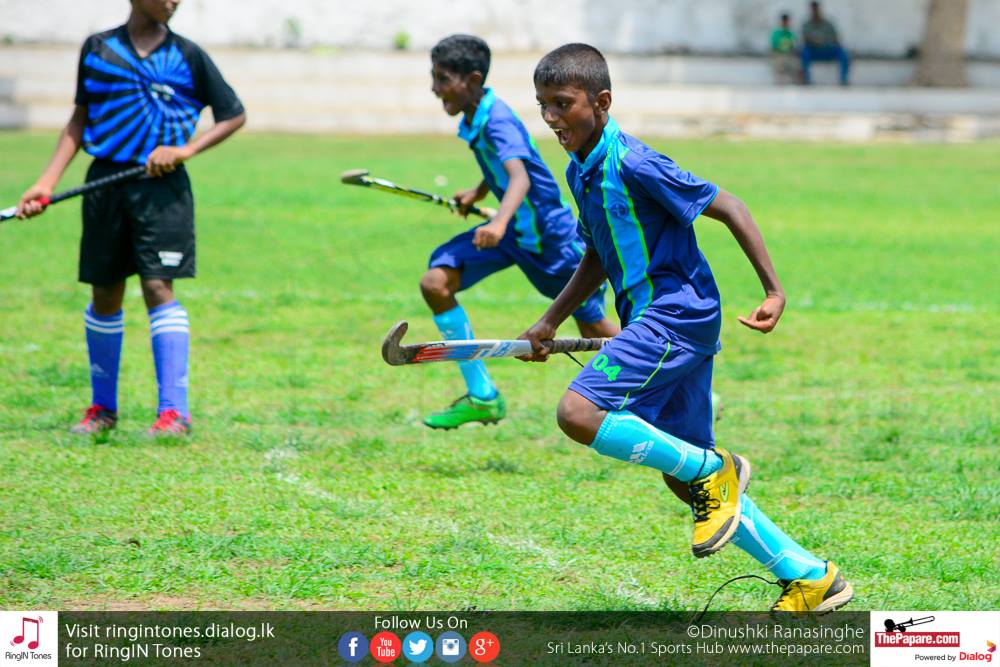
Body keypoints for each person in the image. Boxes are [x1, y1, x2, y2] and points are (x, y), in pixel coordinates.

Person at [522, 43, 854, 613]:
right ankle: (811, 577)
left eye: (562, 103)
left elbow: (731, 207)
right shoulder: (582, 169)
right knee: (685, 479)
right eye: (542, 105)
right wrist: (551, 319)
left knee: (578, 413)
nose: (551, 117)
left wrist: (774, 290)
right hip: (656, 321)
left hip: (675, 315)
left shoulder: (636, 163)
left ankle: (717, 468)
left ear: (601, 102)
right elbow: (599, 253)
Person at [16, 0, 245, 436]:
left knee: (158, 286)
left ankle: (174, 413)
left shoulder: (188, 55)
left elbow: (233, 114)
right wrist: (46, 181)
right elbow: (80, 118)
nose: (174, 1)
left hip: (163, 189)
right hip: (105, 184)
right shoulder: (98, 49)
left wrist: (185, 150)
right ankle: (102, 410)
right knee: (105, 291)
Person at [421, 34, 619, 430]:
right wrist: (478, 192)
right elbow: (503, 166)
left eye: (443, 78)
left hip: (549, 239)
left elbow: (520, 177)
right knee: (436, 283)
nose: (435, 87)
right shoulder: (477, 117)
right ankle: (482, 396)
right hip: (513, 234)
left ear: (472, 80)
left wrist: (497, 222)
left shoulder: (496, 121)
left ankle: (677, 390)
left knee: (595, 328)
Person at [801, 1, 850, 85]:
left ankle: (843, 79)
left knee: (843, 53)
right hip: (814, 51)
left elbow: (835, 38)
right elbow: (805, 40)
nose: (815, 12)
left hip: (827, 50)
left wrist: (824, 41)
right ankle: (807, 80)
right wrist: (814, 41)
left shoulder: (828, 24)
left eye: (816, 10)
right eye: (813, 10)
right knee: (804, 52)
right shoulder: (807, 25)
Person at [770, 12, 799, 85]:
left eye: (787, 21)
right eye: (784, 21)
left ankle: (795, 83)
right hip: (779, 54)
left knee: (795, 64)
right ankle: (780, 83)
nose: (785, 23)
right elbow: (774, 46)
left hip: (790, 55)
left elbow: (794, 45)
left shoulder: (791, 34)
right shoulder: (776, 33)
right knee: (779, 62)